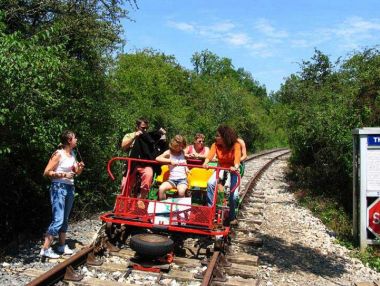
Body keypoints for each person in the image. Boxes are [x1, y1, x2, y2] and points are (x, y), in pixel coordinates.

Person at [41, 130, 85, 258]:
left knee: (65, 219)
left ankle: (61, 246)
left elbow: (76, 172)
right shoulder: (58, 154)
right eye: (75, 138)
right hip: (58, 187)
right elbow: (46, 172)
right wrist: (63, 174)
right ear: (69, 140)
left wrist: (80, 168)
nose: (76, 140)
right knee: (58, 219)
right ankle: (45, 249)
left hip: (70, 188)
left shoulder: (72, 154)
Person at [202, 125, 241, 224]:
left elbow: (237, 159)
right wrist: (206, 162)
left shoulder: (236, 145)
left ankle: (232, 217)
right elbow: (210, 156)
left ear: (224, 137)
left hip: (233, 169)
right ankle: (211, 210)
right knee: (210, 183)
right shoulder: (215, 145)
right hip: (221, 168)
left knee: (234, 195)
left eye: (217, 136)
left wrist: (235, 167)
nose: (216, 137)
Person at [121, 118, 166, 199]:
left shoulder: (148, 136)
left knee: (149, 175)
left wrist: (161, 136)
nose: (144, 130)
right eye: (142, 128)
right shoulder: (130, 135)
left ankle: (141, 200)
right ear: (136, 127)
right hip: (132, 163)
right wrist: (134, 136)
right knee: (125, 183)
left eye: (146, 128)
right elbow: (123, 146)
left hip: (145, 164)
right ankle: (125, 200)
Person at [156, 135, 189, 200]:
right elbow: (157, 158)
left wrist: (186, 168)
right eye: (178, 146)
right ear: (173, 144)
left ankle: (181, 208)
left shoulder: (182, 152)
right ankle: (163, 205)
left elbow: (184, 160)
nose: (180, 148)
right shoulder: (168, 152)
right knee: (161, 188)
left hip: (182, 180)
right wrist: (170, 161)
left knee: (181, 192)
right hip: (172, 180)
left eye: (182, 146)